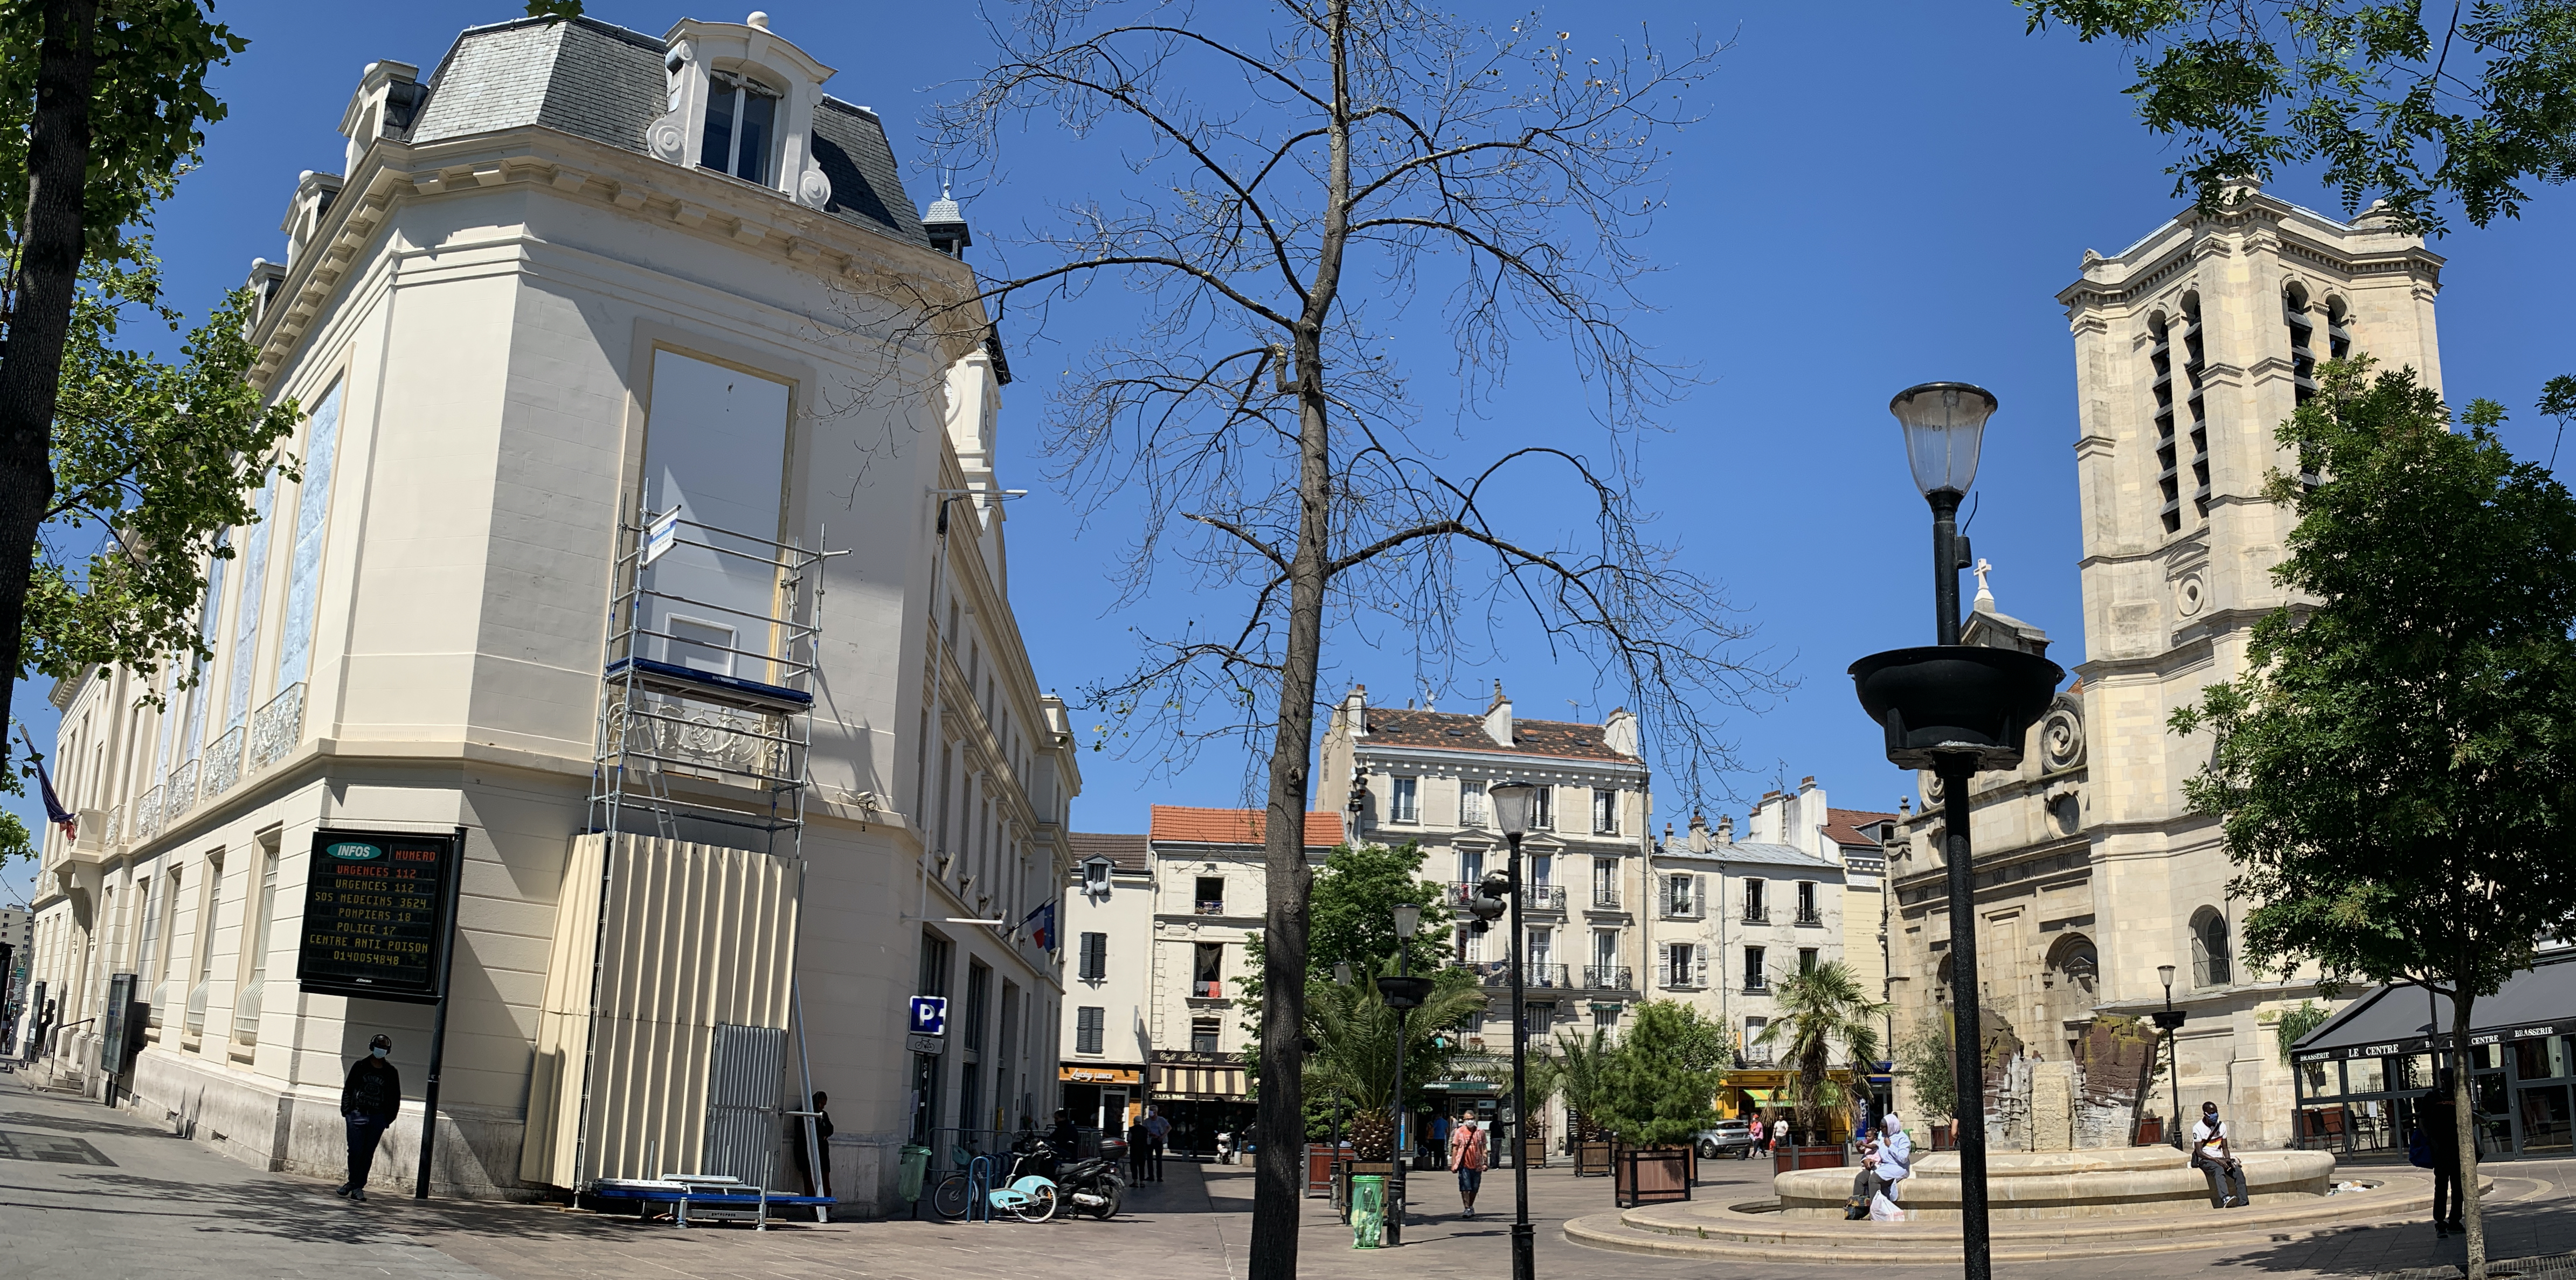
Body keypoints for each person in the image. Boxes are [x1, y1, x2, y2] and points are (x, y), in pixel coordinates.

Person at [337, 1034, 401, 1202]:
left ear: (388, 1051)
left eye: (384, 1047)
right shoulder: (360, 1067)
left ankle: (357, 1186)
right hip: (357, 1114)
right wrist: (347, 1112)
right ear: (372, 1047)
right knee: (355, 1151)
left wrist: (388, 1119)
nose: (380, 1049)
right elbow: (349, 1089)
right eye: (378, 1046)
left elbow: (395, 1097)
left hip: (377, 1117)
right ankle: (353, 1183)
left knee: (367, 1154)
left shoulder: (391, 1072)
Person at [2420, 1073, 2464, 1236]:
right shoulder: (2432, 1097)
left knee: (2458, 1186)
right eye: (2447, 1080)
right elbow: (2423, 1121)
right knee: (2441, 1186)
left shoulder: (2459, 1096)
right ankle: (2440, 1221)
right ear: (2441, 1080)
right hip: (2440, 1149)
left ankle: (2455, 1220)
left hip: (2456, 1147)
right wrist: (2431, 1142)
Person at [1850, 1112, 1912, 1216]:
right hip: (1883, 1165)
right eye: (1881, 1126)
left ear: (1891, 1127)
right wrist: (1866, 1159)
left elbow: (1903, 1158)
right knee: (1861, 1178)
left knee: (1874, 1179)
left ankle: (1875, 1212)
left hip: (1898, 1167)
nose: (1881, 1129)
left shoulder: (1902, 1138)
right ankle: (1858, 1211)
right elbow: (1876, 1150)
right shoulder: (1881, 1135)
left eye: (1883, 1127)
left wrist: (1890, 1146)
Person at [2191, 1101, 2249, 1208]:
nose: (2215, 1115)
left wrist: (2227, 1159)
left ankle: (2244, 1202)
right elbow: (2199, 1152)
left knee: (2238, 1172)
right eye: (2212, 1112)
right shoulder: (2198, 1128)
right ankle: (2225, 1198)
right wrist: (2218, 1161)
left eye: (2216, 1112)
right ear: (2206, 1114)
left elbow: (2225, 1147)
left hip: (2220, 1157)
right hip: (2205, 1159)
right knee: (2218, 1169)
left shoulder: (2222, 1126)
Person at [790, 1091, 835, 1199]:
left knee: (825, 1182)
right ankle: (814, 1211)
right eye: (821, 1103)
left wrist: (823, 1133)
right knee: (810, 1181)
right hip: (807, 1152)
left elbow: (830, 1129)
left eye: (825, 1104)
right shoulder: (803, 1113)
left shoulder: (823, 1115)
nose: (823, 1106)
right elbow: (804, 1131)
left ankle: (826, 1208)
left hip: (822, 1152)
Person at [1448, 1109, 1487, 1219]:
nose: (1469, 1121)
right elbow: (1455, 1148)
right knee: (1465, 1187)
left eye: (1471, 1119)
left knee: (1475, 1188)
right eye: (1467, 1119)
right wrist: (1454, 1164)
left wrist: (1486, 1163)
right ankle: (1467, 1208)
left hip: (1477, 1164)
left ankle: (1471, 1205)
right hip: (1464, 1164)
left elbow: (1484, 1148)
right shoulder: (1459, 1132)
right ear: (1464, 1120)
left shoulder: (1480, 1132)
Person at [1142, 1105, 1169, 1181]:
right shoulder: (1147, 1121)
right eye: (1150, 1110)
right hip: (1150, 1140)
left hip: (1159, 1140)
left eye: (1152, 1110)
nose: (1150, 1112)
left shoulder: (1161, 1120)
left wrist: (1163, 1136)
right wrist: (1150, 1134)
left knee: (1159, 1159)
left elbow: (1169, 1127)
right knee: (1149, 1158)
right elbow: (1144, 1130)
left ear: (1156, 1112)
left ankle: (1159, 1177)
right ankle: (1151, 1176)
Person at [1126, 1112, 1152, 1185]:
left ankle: (1135, 1181)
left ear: (1134, 1121)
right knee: (1142, 1166)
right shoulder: (1145, 1130)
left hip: (1134, 1149)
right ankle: (1142, 1182)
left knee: (1134, 1165)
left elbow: (1129, 1139)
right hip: (1143, 1150)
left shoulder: (1132, 1129)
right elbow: (1148, 1141)